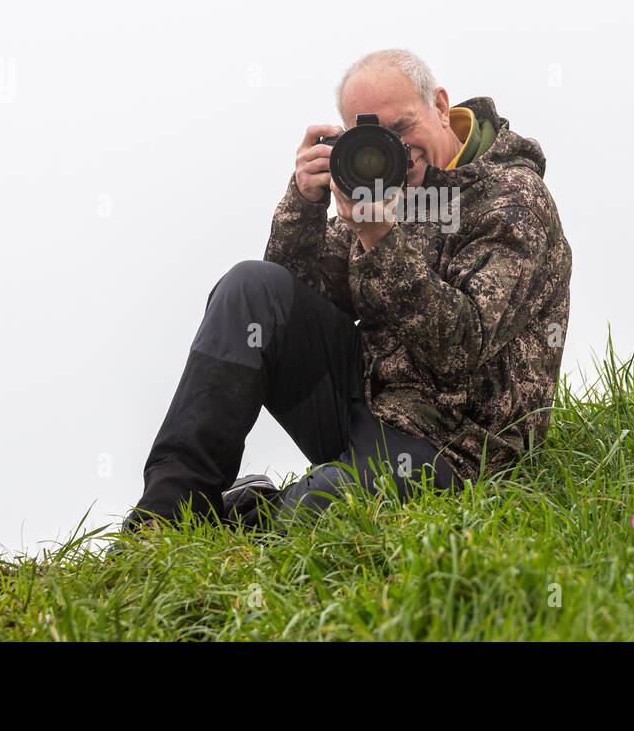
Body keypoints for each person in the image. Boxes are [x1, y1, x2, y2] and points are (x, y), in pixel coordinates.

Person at [122, 48, 571, 534]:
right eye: (376, 138)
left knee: (324, 508)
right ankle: (166, 514)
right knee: (249, 288)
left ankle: (251, 510)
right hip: (365, 407)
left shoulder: (514, 200)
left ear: (440, 106)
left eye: (402, 129)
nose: (396, 150)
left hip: (458, 447)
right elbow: (286, 306)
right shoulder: (382, 195)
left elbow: (460, 350)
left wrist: (379, 239)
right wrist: (304, 204)